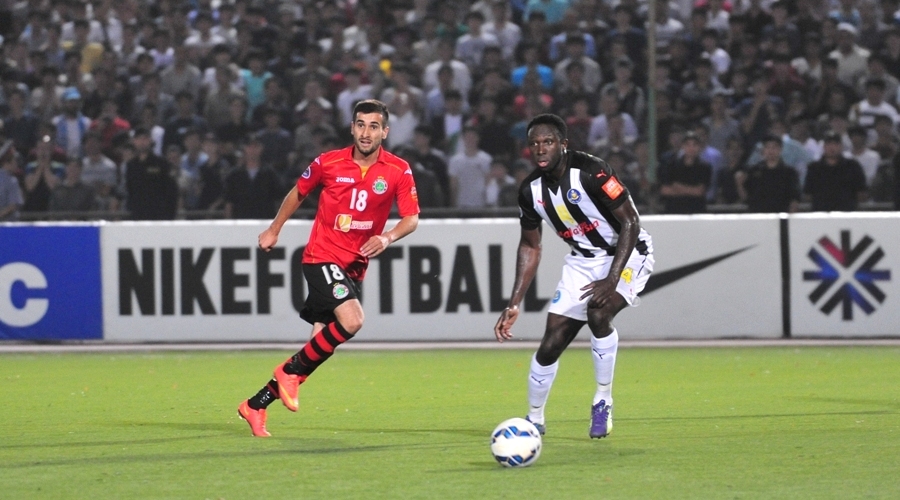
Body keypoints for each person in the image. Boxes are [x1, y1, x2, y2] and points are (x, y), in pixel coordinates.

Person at [237, 100, 420, 437]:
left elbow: (411, 218)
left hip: (354, 268)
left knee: (316, 350)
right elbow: (298, 192)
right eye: (360, 124)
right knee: (353, 320)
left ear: (385, 132)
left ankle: (256, 404)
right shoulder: (329, 162)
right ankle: (286, 372)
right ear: (352, 128)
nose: (366, 132)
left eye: (374, 126)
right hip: (322, 257)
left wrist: (387, 237)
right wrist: (274, 229)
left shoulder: (398, 169)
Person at [494, 113, 653, 439]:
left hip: (628, 253)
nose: (540, 149)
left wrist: (612, 279)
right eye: (534, 144)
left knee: (598, 312)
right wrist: (514, 302)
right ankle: (534, 420)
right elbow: (530, 245)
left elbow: (631, 222)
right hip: (582, 263)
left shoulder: (593, 171)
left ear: (563, 144)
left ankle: (602, 400)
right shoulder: (530, 191)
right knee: (550, 344)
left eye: (548, 142)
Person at [804, 131, 867, 211]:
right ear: (824, 147)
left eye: (835, 144)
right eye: (829, 144)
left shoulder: (852, 166)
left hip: (846, 213)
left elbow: (861, 192)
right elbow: (808, 194)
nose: (832, 147)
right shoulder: (814, 168)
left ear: (841, 146)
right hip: (821, 213)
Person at [737, 134, 801, 213]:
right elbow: (745, 197)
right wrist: (739, 184)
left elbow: (795, 198)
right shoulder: (753, 171)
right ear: (763, 150)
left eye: (774, 147)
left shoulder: (789, 173)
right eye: (767, 147)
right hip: (758, 215)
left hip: (780, 215)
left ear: (780, 150)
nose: (771, 151)